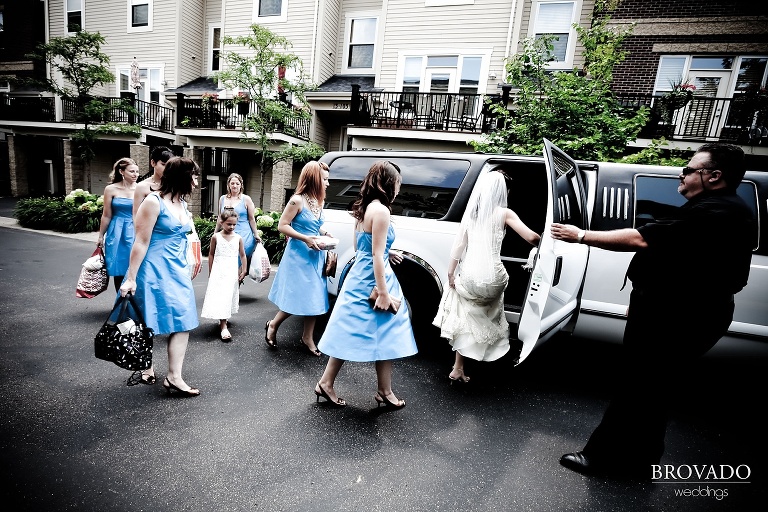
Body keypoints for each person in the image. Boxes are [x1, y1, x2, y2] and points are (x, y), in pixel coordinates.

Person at [550, 142, 754, 478]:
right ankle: (642, 463)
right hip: (671, 313)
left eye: (689, 169)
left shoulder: (719, 212)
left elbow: (644, 239)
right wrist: (641, 304)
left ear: (714, 176)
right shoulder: (713, 207)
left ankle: (600, 458)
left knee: (638, 386)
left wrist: (581, 234)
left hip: (680, 318)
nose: (682, 173)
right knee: (653, 390)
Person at [314, 160, 418, 408]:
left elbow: (364, 246)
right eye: (398, 183)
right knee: (388, 331)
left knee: (351, 329)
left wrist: (387, 252)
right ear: (388, 184)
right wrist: (383, 292)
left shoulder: (364, 208)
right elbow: (375, 255)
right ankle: (382, 391)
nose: (399, 189)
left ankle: (330, 384)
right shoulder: (381, 211)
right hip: (374, 279)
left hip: (359, 276)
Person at [433, 170, 540, 383]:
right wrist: (544, 240)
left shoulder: (471, 214)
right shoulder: (505, 213)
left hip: (470, 276)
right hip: (494, 278)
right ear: (504, 191)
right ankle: (469, 363)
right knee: (484, 312)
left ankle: (458, 367)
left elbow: (458, 247)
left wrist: (451, 274)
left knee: (466, 313)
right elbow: (532, 237)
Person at [119, 156, 201, 396]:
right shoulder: (153, 202)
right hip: (154, 268)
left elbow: (187, 235)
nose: (196, 181)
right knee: (149, 321)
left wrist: (193, 258)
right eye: (193, 176)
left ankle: (174, 377)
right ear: (182, 178)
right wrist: (131, 278)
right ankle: (149, 366)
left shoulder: (182, 203)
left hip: (176, 268)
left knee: (183, 319)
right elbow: (140, 242)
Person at [265, 161, 333, 357]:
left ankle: (307, 337)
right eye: (325, 179)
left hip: (315, 255)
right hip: (298, 255)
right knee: (297, 296)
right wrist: (305, 238)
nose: (327, 184)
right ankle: (273, 324)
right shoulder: (297, 200)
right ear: (314, 178)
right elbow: (282, 225)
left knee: (315, 298)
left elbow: (314, 224)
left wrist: (324, 232)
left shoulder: (318, 200)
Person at [201, 209, 247, 342]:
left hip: (231, 271)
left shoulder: (238, 238)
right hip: (219, 270)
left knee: (227, 295)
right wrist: (211, 271)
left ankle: (224, 318)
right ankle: (223, 325)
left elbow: (242, 255)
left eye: (234, 224)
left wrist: (244, 270)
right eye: (229, 224)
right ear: (221, 223)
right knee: (221, 295)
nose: (231, 227)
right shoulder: (216, 237)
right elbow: (211, 254)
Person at [97, 157, 139, 291]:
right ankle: (120, 303)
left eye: (137, 172)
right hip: (116, 231)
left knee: (135, 265)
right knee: (118, 266)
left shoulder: (141, 189)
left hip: (135, 230)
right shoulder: (110, 189)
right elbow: (106, 215)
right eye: (132, 171)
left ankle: (134, 303)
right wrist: (100, 236)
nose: (135, 174)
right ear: (121, 172)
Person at [215, 173, 261, 269]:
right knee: (226, 265)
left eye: (237, 183)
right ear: (228, 185)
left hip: (244, 235)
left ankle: (236, 281)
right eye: (232, 183)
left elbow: (252, 219)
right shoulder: (222, 199)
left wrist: (256, 234)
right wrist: (215, 232)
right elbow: (220, 217)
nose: (234, 186)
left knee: (237, 264)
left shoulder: (246, 199)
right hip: (226, 235)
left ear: (241, 185)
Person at [133, 145, 174, 217]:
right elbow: (136, 215)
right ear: (153, 163)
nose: (167, 169)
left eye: (169, 165)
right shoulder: (142, 186)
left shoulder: (173, 185)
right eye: (163, 164)